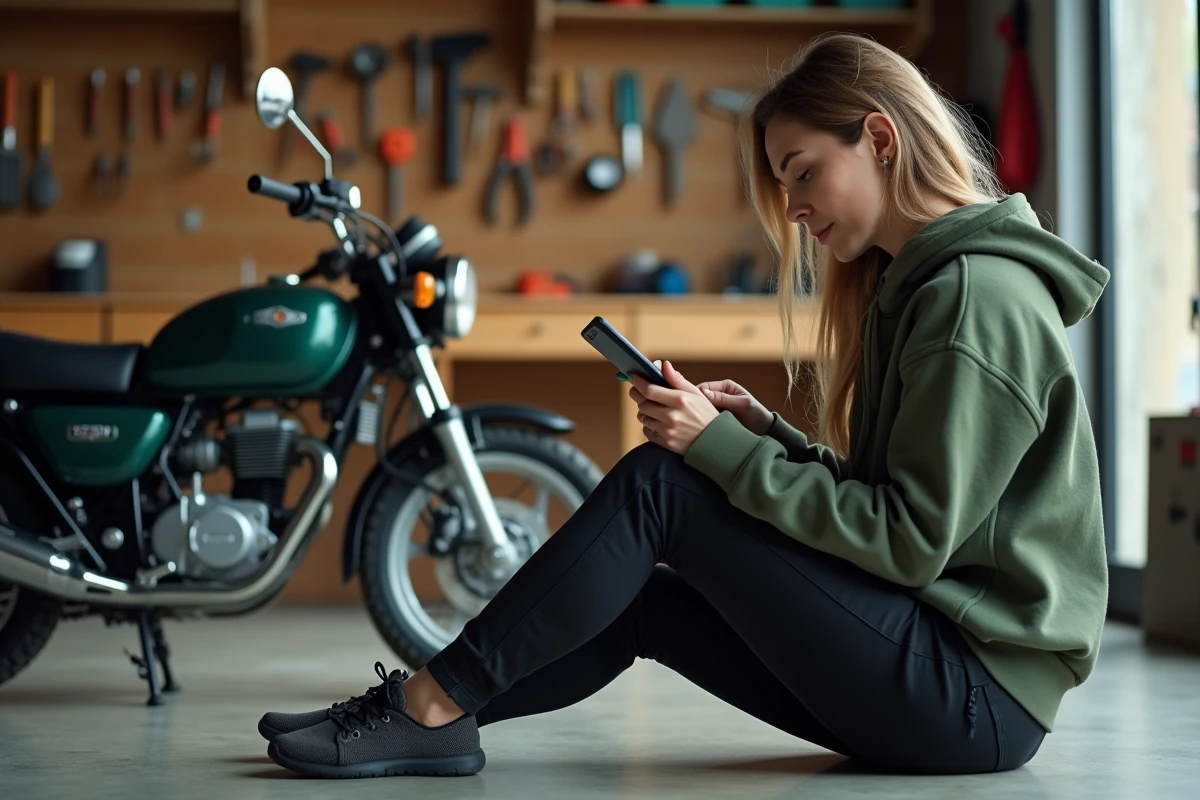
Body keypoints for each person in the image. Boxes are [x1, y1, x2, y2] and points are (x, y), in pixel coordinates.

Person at [256, 32, 1110, 779]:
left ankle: (428, 704)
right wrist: (764, 436)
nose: (794, 207)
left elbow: (910, 542)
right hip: (937, 673)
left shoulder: (973, 300)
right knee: (648, 600)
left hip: (971, 698)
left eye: (803, 170)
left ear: (880, 139)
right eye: (784, 183)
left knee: (662, 488)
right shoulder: (919, 289)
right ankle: (430, 714)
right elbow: (908, 508)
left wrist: (718, 453)